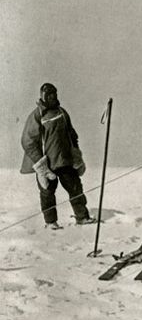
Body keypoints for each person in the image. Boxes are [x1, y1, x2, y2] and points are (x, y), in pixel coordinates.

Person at [20, 83, 95, 230]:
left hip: (65, 161)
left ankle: (82, 217)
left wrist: (76, 155)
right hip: (47, 165)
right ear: (43, 97)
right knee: (47, 193)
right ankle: (51, 222)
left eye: (54, 94)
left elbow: (72, 135)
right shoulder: (37, 116)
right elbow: (27, 141)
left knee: (75, 189)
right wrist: (40, 163)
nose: (52, 97)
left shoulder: (62, 112)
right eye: (49, 95)